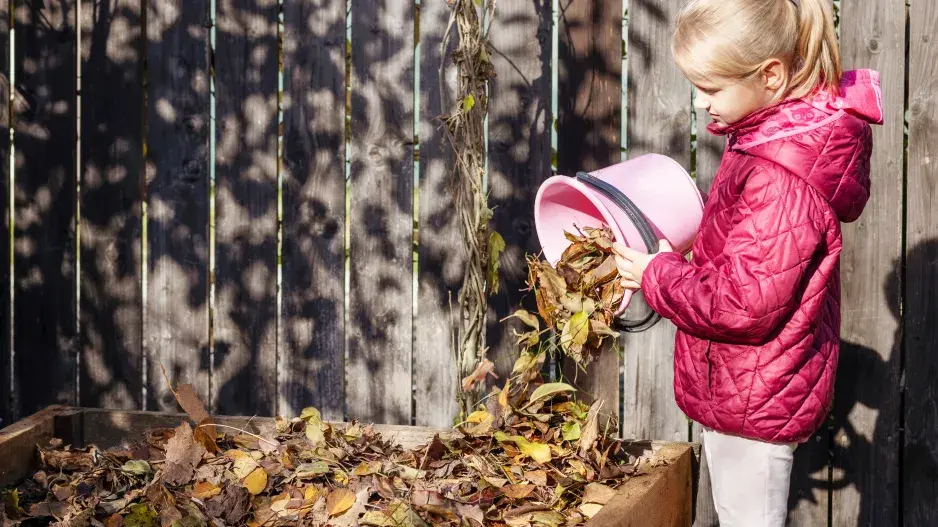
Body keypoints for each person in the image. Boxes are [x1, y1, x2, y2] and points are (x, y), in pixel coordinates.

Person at [612, 0, 883, 525]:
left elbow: (742, 303)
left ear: (772, 76)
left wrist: (655, 273)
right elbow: (749, 259)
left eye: (710, 88)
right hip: (748, 389)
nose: (698, 102)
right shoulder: (767, 138)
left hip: (754, 400)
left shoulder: (780, 174)